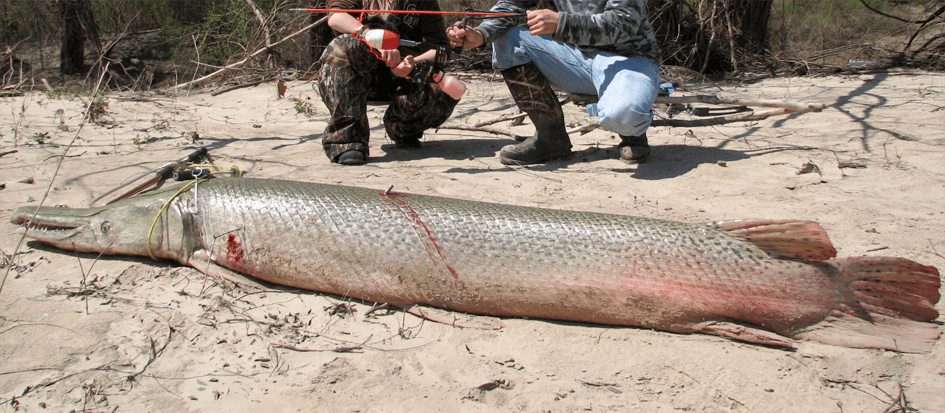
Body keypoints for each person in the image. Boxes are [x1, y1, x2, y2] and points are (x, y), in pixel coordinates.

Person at [447, 0, 661, 165]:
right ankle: (550, 139)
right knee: (507, 38)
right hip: (577, 59)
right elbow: (510, 6)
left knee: (621, 116)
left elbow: (623, 24)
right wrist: (480, 34)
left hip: (629, 61)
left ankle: (634, 134)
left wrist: (561, 23)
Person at [316, 0, 461, 165]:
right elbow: (335, 17)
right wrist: (369, 35)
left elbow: (441, 49)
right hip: (361, 73)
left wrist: (411, 64)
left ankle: (402, 129)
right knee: (340, 47)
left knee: (446, 90)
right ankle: (348, 141)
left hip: (405, 77)